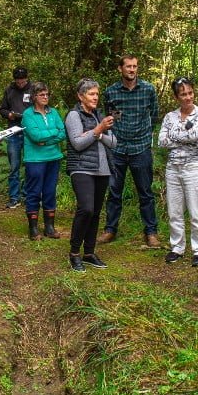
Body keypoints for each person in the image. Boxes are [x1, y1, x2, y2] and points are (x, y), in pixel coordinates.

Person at [100, 55, 161, 247]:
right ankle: (110, 230)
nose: (132, 70)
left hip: (140, 149)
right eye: (128, 66)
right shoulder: (111, 92)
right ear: (120, 69)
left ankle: (151, 233)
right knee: (114, 192)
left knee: (145, 193)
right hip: (117, 148)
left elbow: (155, 115)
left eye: (135, 66)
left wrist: (146, 136)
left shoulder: (148, 90)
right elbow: (109, 116)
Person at [158, 77, 198, 267]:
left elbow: (196, 135)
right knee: (175, 211)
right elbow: (162, 141)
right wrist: (184, 136)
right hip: (173, 168)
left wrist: (175, 135)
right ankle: (177, 248)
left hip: (193, 168)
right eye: (183, 94)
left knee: (197, 211)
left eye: (190, 93)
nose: (188, 97)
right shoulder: (169, 117)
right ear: (176, 97)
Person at [65, 79, 116, 272]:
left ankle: (89, 252)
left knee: (95, 212)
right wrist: (98, 130)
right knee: (85, 209)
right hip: (81, 168)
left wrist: (99, 132)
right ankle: (74, 253)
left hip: (102, 169)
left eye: (97, 94)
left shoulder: (98, 116)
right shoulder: (73, 116)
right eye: (91, 94)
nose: (96, 97)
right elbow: (77, 143)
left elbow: (114, 142)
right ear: (80, 96)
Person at [21, 81, 67, 241]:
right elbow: (35, 136)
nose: (45, 97)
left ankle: (49, 227)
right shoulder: (28, 114)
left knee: (50, 192)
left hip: (53, 157)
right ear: (34, 97)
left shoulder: (53, 112)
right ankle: (33, 228)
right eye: (42, 95)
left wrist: (47, 138)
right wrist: (52, 135)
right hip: (35, 159)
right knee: (34, 192)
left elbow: (63, 132)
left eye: (47, 94)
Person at [0, 66, 32, 208]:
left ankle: (27, 194)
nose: (21, 83)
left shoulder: (33, 89)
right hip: (14, 131)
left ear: (27, 78)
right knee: (14, 166)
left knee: (31, 164)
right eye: (18, 81)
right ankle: (14, 197)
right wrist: (9, 114)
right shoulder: (9, 90)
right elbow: (2, 109)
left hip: (30, 131)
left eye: (23, 81)